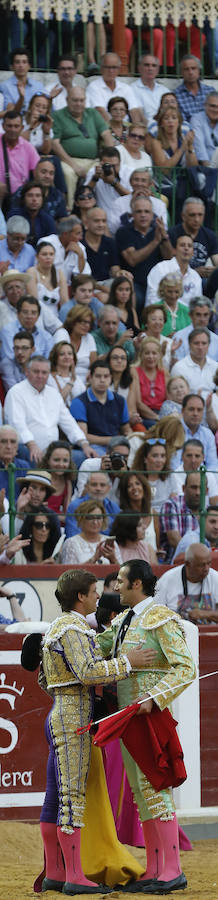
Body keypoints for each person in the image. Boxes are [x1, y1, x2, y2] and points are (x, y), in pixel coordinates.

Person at [39, 568, 152, 893]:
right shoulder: (73, 628)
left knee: (56, 798)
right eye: (94, 593)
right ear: (81, 596)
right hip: (73, 720)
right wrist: (127, 662)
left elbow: (46, 679)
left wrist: (64, 697)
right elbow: (88, 673)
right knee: (71, 798)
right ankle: (74, 877)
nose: (98, 597)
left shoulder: (59, 628)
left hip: (61, 713)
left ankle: (57, 874)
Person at [98, 559, 195, 893]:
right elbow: (96, 650)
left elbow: (185, 667)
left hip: (149, 716)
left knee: (156, 789)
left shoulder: (160, 619)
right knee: (142, 793)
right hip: (128, 719)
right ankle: (155, 868)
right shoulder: (125, 620)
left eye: (121, 581)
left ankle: (173, 870)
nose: (116, 587)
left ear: (137, 584)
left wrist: (153, 698)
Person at [4, 355, 96, 465]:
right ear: (27, 372)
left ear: (49, 374)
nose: (40, 376)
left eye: (44, 373)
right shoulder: (16, 392)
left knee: (84, 458)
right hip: (26, 447)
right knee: (33, 456)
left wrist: (84, 444)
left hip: (53, 452)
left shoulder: (54, 394)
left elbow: (68, 422)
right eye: (36, 372)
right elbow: (17, 424)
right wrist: (32, 444)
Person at [52, 86, 113, 209]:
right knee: (68, 174)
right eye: (75, 100)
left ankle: (101, 208)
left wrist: (109, 158)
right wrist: (74, 166)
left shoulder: (92, 113)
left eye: (81, 100)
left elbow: (106, 134)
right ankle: (69, 208)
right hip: (69, 160)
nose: (78, 104)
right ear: (67, 100)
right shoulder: (58, 115)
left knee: (104, 172)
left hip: (93, 160)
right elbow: (55, 143)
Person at [116, 195, 170, 313]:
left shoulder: (158, 230)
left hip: (158, 283)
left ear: (152, 215)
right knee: (137, 298)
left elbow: (169, 259)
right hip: (135, 283)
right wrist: (155, 241)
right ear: (132, 215)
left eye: (147, 212)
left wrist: (164, 238)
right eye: (139, 211)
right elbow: (132, 259)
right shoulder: (124, 232)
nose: (143, 215)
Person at [70, 358, 131, 455]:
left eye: (106, 376)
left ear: (111, 378)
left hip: (117, 446)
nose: (102, 380)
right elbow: (83, 436)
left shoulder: (120, 400)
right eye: (98, 376)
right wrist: (112, 440)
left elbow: (126, 429)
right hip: (92, 446)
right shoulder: (79, 402)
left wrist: (132, 437)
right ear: (90, 377)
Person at [155, 543, 218, 622]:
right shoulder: (167, 579)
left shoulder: (215, 577)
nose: (206, 569)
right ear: (187, 564)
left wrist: (205, 614)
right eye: (201, 565)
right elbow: (154, 613)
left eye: (209, 563)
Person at [168, 197, 218, 281]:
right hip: (177, 279)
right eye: (192, 215)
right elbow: (169, 267)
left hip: (202, 280)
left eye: (200, 215)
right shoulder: (172, 234)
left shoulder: (210, 235)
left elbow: (216, 261)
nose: (197, 219)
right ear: (183, 216)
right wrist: (194, 273)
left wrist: (213, 271)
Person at [146, 233, 202, 307]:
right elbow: (153, 300)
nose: (186, 248)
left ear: (192, 253)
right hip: (162, 314)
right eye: (182, 245)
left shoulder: (195, 276)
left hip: (186, 317)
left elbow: (197, 305)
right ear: (174, 250)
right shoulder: (160, 269)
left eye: (189, 246)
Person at [86, 52, 141, 124]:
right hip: (105, 128)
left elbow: (134, 111)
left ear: (119, 69)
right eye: (107, 67)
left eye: (114, 67)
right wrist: (115, 130)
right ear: (101, 68)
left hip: (126, 128)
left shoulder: (126, 88)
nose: (111, 71)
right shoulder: (94, 86)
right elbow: (100, 112)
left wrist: (137, 129)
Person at [159, 471, 202, 563]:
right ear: (183, 488)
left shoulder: (209, 511)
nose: (197, 492)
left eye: (201, 488)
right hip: (175, 564)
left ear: (206, 491)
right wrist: (199, 558)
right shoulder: (171, 505)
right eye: (193, 487)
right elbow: (174, 540)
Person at [128, 337, 168, 429]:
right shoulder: (134, 371)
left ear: (159, 355)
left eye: (154, 353)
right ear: (141, 355)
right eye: (147, 353)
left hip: (161, 413)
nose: (151, 357)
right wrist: (157, 418)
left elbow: (169, 400)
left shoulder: (164, 372)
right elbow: (138, 403)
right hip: (143, 416)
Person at [65, 471, 120, 539]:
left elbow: (119, 534)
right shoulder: (75, 506)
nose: (98, 489)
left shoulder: (113, 507)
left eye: (102, 485)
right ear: (86, 487)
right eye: (94, 485)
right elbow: (72, 536)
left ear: (108, 488)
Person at [133, 435, 179, 514]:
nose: (160, 460)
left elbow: (174, 502)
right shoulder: (135, 477)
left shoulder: (170, 476)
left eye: (163, 456)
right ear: (145, 459)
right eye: (155, 456)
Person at [75, 435, 131, 502]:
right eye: (117, 455)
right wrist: (101, 473)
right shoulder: (89, 465)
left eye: (125, 456)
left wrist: (124, 478)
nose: (120, 460)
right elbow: (82, 497)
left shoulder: (129, 470)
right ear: (107, 453)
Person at [0, 111, 39, 204]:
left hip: (21, 198)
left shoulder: (28, 147)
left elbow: (37, 173)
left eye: (16, 126)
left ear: (22, 128)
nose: (12, 129)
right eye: (9, 126)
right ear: (3, 126)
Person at [61, 499, 116, 565]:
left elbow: (122, 572)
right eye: (90, 518)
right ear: (81, 519)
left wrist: (113, 560)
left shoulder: (110, 543)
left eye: (98, 518)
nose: (95, 522)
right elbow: (69, 573)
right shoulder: (71, 543)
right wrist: (94, 559)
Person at [173, 393, 218, 473]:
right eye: (191, 409)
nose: (195, 413)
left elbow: (213, 466)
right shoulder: (174, 431)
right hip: (179, 480)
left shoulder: (208, 434)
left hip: (204, 480)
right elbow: (174, 466)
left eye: (199, 410)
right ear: (183, 411)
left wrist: (205, 482)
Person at [0, 294, 53, 361]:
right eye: (25, 312)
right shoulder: (7, 331)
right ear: (18, 314)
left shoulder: (46, 337)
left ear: (38, 316)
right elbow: (10, 358)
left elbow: (48, 362)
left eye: (33, 313)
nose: (29, 316)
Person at [171, 326, 217, 398]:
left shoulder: (216, 367)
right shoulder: (179, 368)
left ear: (209, 345)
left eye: (204, 343)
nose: (200, 347)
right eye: (196, 343)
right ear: (189, 345)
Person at [9, 182, 57, 248]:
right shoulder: (14, 215)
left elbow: (52, 243)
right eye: (30, 195)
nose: (34, 199)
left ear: (43, 199)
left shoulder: (48, 219)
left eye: (38, 196)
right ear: (24, 198)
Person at [0, 46, 44, 114]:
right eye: (17, 62)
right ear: (11, 66)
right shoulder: (4, 86)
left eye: (24, 62)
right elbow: (10, 113)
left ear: (29, 66)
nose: (21, 65)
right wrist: (21, 98)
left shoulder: (38, 86)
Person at [26, 240, 68, 310]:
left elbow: (65, 301)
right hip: (37, 315)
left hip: (55, 318)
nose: (48, 257)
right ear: (37, 257)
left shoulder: (59, 273)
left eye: (51, 254)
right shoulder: (32, 272)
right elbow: (33, 302)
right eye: (44, 254)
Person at [40, 440, 76, 523]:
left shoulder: (67, 482)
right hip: (41, 522)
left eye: (65, 461)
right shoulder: (41, 478)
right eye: (56, 460)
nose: (61, 464)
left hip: (58, 524)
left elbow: (67, 514)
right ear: (48, 460)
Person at [173, 296, 218, 361]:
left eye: (205, 315)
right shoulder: (179, 337)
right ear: (190, 315)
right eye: (198, 315)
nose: (202, 319)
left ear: (210, 315)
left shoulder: (216, 340)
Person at [83, 207, 120, 283]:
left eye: (104, 221)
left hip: (106, 284)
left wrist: (120, 273)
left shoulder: (110, 243)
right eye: (96, 221)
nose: (101, 225)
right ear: (86, 223)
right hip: (85, 285)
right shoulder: (79, 244)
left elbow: (114, 268)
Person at [132, 54, 169, 125]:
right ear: (139, 68)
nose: (150, 68)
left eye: (154, 66)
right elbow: (139, 117)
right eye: (147, 65)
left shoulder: (165, 90)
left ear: (158, 70)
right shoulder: (132, 90)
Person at [64, 304, 97, 382]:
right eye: (82, 322)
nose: (86, 325)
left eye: (88, 323)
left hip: (87, 382)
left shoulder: (89, 338)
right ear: (73, 321)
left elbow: (94, 365)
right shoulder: (62, 334)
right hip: (66, 379)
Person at [175, 54, 212, 122]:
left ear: (199, 70)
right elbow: (181, 122)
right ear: (181, 72)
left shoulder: (210, 92)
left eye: (193, 68)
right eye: (186, 69)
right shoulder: (176, 96)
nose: (190, 72)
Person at [48, 341, 85, 406]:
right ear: (55, 358)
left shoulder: (78, 379)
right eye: (62, 354)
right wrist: (71, 381)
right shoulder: (49, 378)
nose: (67, 357)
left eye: (70, 354)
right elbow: (57, 403)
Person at [0, 424, 28, 498]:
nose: (8, 446)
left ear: (17, 446)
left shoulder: (24, 466)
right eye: (3, 441)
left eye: (12, 442)